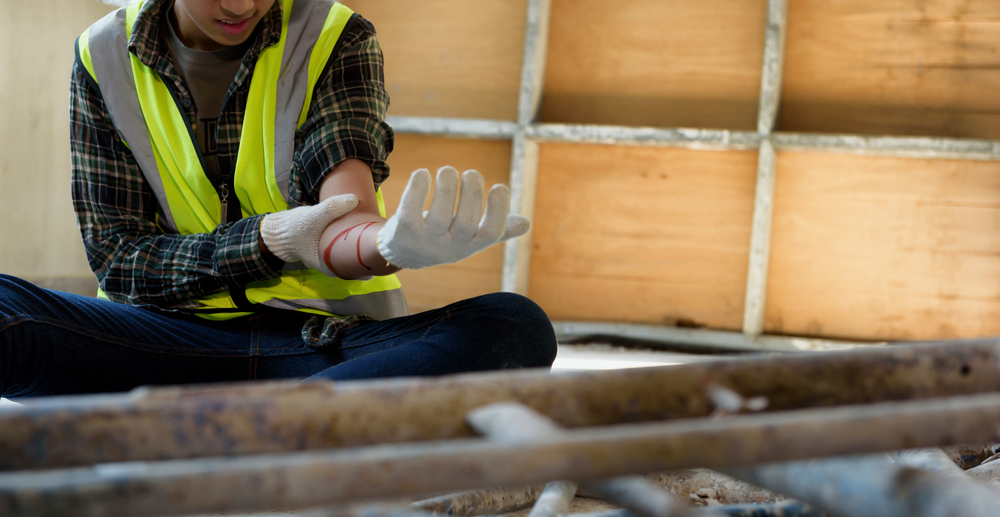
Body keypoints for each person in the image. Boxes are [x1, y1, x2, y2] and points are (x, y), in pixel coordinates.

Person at [0, 0, 557, 399]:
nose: (241, 3)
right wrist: (265, 241)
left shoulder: (334, 34)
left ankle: (225, 433)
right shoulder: (102, 55)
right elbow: (120, 260)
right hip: (158, 339)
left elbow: (344, 213)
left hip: (324, 346)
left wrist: (385, 245)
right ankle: (288, 431)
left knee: (513, 326)